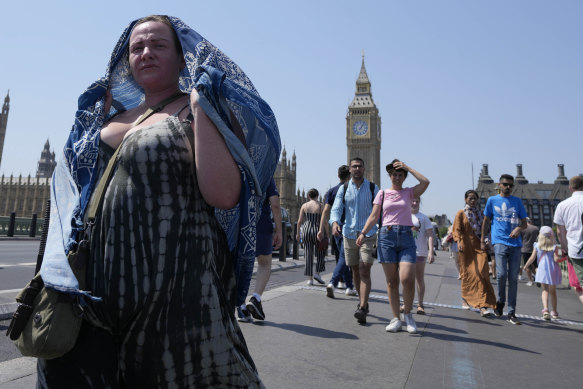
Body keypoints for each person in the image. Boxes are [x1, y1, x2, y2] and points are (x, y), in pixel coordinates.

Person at [37, 15, 280, 388]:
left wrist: (202, 106)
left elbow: (225, 194)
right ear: (126, 59)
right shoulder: (108, 116)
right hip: (98, 290)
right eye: (137, 47)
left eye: (158, 45)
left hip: (177, 289)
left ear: (183, 58)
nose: (146, 53)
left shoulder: (198, 109)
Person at [357, 159, 429, 334]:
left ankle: (408, 314)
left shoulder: (409, 193)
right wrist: (363, 232)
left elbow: (425, 182)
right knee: (391, 281)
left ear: (404, 177)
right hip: (386, 237)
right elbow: (374, 216)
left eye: (400, 175)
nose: (397, 177)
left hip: (406, 237)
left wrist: (408, 167)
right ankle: (396, 318)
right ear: (390, 176)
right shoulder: (382, 193)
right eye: (394, 175)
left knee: (407, 279)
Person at [330, 157, 379, 324]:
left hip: (369, 234)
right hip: (349, 234)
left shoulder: (373, 188)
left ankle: (363, 306)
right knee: (355, 270)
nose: (357, 169)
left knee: (365, 269)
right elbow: (336, 208)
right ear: (349, 169)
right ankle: (362, 301)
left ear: (364, 169)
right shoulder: (344, 189)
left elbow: (378, 211)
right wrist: (335, 222)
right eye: (354, 166)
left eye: (360, 166)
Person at [481, 174, 528, 325]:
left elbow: (524, 223)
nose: (508, 187)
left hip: (515, 244)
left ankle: (512, 311)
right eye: (505, 184)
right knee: (501, 275)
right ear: (499, 185)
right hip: (499, 241)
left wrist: (519, 229)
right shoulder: (492, 200)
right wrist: (482, 239)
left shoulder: (517, 201)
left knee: (513, 278)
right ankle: (500, 301)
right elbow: (486, 220)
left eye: (510, 185)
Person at [240, 178, 282, 322]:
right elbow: (275, 204)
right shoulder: (266, 172)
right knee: (264, 264)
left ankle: (240, 307)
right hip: (261, 224)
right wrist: (279, 231)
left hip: (238, 223)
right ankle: (256, 297)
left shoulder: (237, 167)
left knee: (240, 265)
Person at [452, 190, 496, 317]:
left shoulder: (481, 214)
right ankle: (465, 298)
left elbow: (486, 229)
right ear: (465, 199)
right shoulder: (461, 213)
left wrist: (487, 240)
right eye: (470, 198)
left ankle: (483, 305)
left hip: (480, 247)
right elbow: (457, 229)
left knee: (482, 273)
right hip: (466, 248)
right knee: (468, 274)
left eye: (475, 199)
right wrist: (459, 241)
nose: (473, 201)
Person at [318, 165, 356, 298]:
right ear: (349, 176)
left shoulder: (332, 191)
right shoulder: (352, 189)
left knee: (342, 256)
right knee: (344, 257)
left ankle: (349, 287)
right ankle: (333, 283)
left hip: (335, 228)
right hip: (349, 228)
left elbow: (326, 211)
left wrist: (321, 228)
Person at [553, 175, 583, 304]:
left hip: (576, 250)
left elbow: (560, 232)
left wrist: (565, 250)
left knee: (580, 285)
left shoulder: (562, 205)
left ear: (570, 188)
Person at [522, 226, 562, 320]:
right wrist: (564, 258)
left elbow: (532, 258)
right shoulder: (554, 246)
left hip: (542, 269)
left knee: (545, 290)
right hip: (553, 269)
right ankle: (555, 312)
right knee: (553, 292)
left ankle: (546, 310)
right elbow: (556, 259)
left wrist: (526, 265)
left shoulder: (537, 245)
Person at [409, 197, 434, 315]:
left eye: (417, 201)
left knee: (419, 278)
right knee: (406, 279)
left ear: (419, 203)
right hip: (406, 252)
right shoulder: (403, 216)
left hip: (420, 252)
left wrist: (430, 251)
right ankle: (407, 303)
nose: (414, 203)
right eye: (412, 201)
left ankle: (420, 304)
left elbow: (430, 235)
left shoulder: (424, 218)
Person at [297, 188, 326, 285]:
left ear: (309, 196)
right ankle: (317, 273)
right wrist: (326, 234)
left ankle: (310, 279)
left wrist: (297, 233)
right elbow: (325, 221)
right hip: (317, 230)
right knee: (321, 252)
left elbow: (299, 221)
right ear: (317, 196)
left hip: (306, 230)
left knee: (308, 254)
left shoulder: (304, 206)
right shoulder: (320, 206)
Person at [520, 218, 539, 286]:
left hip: (525, 249)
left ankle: (530, 281)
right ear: (531, 221)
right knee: (536, 265)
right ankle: (537, 278)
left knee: (527, 266)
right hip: (535, 248)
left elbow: (520, 238)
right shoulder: (535, 228)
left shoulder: (522, 229)